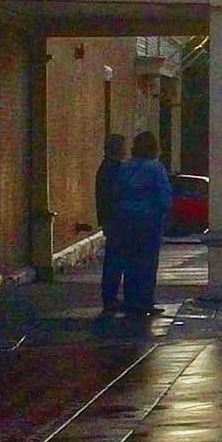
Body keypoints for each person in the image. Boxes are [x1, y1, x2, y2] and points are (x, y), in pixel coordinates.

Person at [115, 130, 172, 323]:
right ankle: (145, 301)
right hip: (149, 221)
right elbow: (163, 196)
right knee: (148, 262)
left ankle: (131, 300)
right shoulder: (155, 168)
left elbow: (118, 191)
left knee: (130, 261)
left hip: (126, 219)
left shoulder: (125, 167)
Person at [94, 133, 127, 320]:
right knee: (115, 260)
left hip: (110, 219)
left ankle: (110, 297)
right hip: (117, 220)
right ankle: (110, 298)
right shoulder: (115, 169)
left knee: (114, 259)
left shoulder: (105, 168)